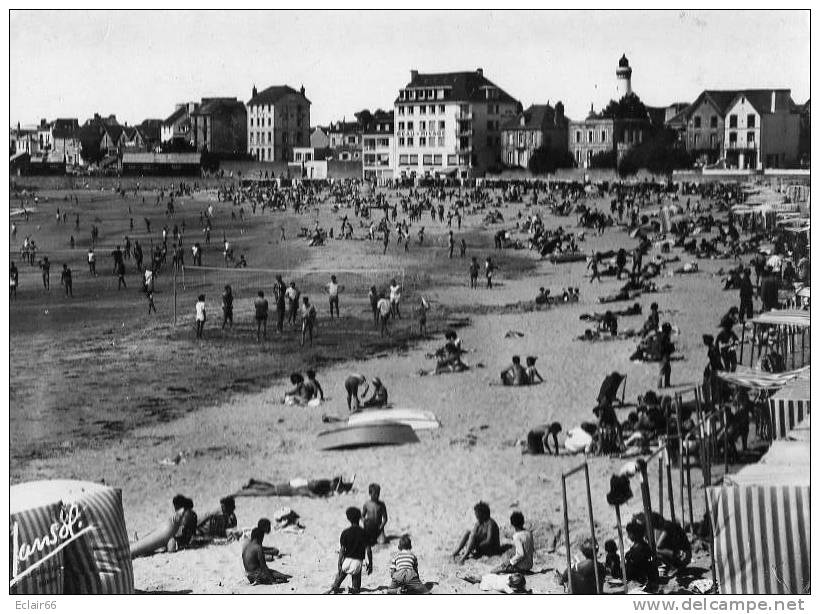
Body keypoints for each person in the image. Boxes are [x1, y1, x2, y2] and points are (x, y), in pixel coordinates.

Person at [326, 507, 372, 594]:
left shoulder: (345, 532)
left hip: (347, 561)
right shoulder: (364, 532)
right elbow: (369, 550)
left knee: (341, 574)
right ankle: (354, 589)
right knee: (356, 578)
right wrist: (371, 564)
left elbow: (342, 550)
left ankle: (335, 587)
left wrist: (339, 562)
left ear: (348, 518)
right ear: (359, 517)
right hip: (358, 562)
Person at [624, 519, 659, 588]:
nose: (628, 536)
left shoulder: (641, 548)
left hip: (639, 582)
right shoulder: (639, 546)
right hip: (636, 580)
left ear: (635, 534)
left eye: (629, 534)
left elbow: (639, 565)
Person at [657, 323, 674, 389]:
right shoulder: (664, 337)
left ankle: (666, 384)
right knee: (663, 370)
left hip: (664, 355)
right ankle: (660, 385)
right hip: (663, 355)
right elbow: (663, 347)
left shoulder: (663, 336)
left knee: (667, 370)